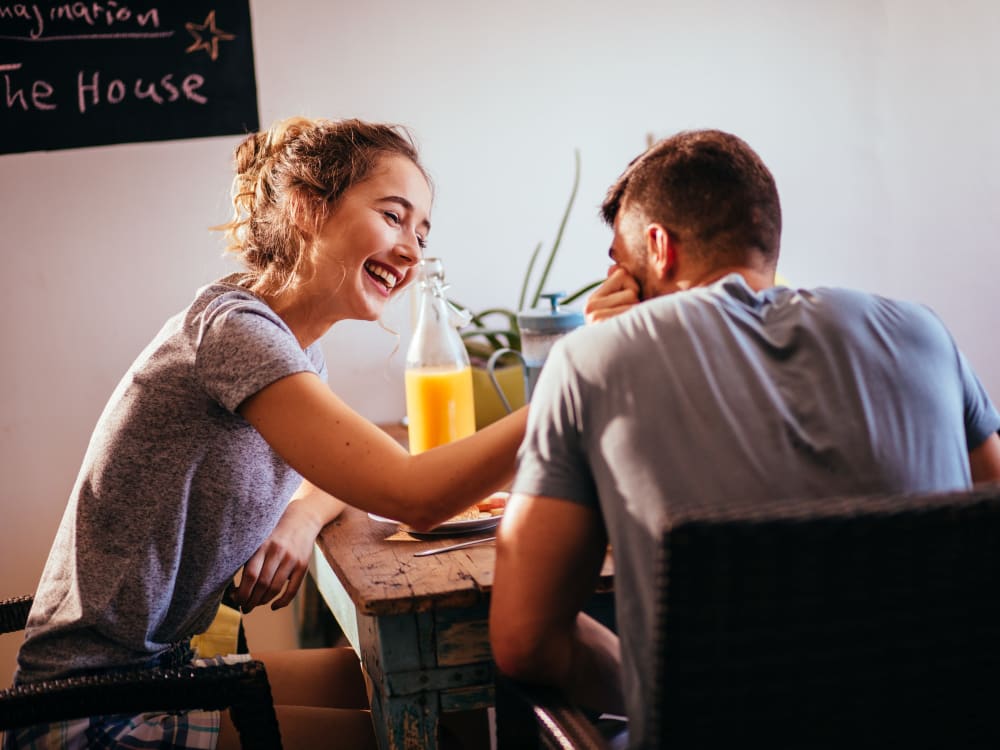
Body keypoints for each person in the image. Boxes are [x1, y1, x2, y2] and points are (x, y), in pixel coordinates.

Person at [5, 117, 527, 749]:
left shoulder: (290, 348)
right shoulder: (236, 333)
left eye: (421, 231)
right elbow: (409, 491)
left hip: (155, 671)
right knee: (429, 729)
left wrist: (300, 520)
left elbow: (340, 472)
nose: (414, 251)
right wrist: (574, 388)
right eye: (394, 217)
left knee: (427, 692)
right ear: (310, 207)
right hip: (90, 711)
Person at [489, 129, 1000, 748]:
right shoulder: (924, 334)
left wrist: (658, 690)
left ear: (658, 247)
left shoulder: (594, 359)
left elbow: (526, 642)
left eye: (619, 263)